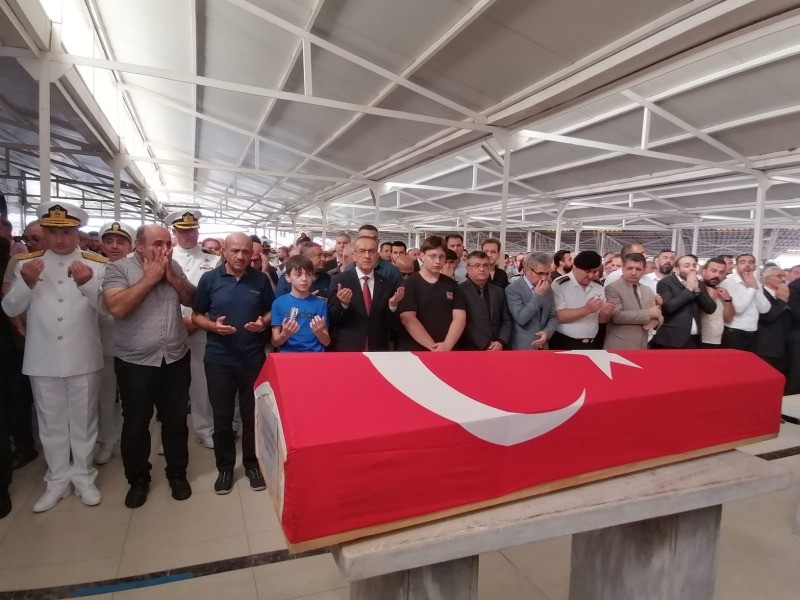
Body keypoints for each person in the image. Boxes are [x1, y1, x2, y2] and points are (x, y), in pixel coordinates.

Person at [1, 202, 106, 512]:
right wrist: (26, 283)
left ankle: (84, 476)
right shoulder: (26, 264)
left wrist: (88, 283)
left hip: (82, 354)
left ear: (78, 234)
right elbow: (10, 308)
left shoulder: (96, 263)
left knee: (84, 421)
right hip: (43, 356)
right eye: (53, 232)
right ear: (44, 233)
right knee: (51, 423)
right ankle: (57, 479)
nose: (60, 239)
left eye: (67, 232)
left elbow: (107, 309)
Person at [103, 224, 196, 508]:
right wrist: (150, 279)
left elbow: (192, 298)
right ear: (139, 246)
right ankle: (138, 479)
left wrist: (173, 278)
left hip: (175, 358)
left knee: (176, 422)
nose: (165, 249)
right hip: (136, 363)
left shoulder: (173, 265)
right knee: (135, 424)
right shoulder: (118, 269)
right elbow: (117, 308)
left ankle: (177, 474)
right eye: (157, 244)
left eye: (168, 244)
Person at [192, 233, 274, 495]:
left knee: (252, 416)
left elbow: (270, 310)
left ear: (252, 254)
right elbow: (196, 315)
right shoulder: (209, 279)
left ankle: (252, 465)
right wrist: (212, 327)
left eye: (246, 252)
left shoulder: (260, 280)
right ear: (224, 251)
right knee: (222, 417)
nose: (240, 256)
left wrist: (262, 322)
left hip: (252, 359)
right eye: (235, 250)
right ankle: (225, 468)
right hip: (219, 360)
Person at [166, 209, 221, 450]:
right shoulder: (165, 257)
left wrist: (195, 322)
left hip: (200, 328)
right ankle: (170, 433)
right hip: (168, 328)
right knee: (171, 387)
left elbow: (216, 297)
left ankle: (204, 428)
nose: (189, 235)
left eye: (193, 230)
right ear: (174, 231)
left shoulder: (214, 259)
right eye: (183, 231)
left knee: (201, 384)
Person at [94, 221, 137, 465]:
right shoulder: (94, 270)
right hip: (103, 343)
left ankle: (133, 441)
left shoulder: (138, 270)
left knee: (136, 400)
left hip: (134, 344)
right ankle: (107, 441)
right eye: (109, 241)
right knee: (105, 398)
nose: (114, 246)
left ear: (131, 246)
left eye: (121, 241)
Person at [327, 235, 403, 351]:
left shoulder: (387, 284)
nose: (367, 256)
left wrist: (392, 306)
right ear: (354, 256)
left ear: (377, 256)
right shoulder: (339, 281)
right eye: (362, 251)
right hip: (347, 348)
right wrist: (343, 304)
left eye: (371, 251)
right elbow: (331, 319)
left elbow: (391, 324)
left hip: (378, 348)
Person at [397, 235, 466, 351]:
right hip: (417, 349)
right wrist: (432, 346)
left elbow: (460, 317)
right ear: (422, 256)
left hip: (447, 348)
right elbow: (407, 318)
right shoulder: (410, 283)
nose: (437, 261)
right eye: (432, 256)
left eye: (441, 257)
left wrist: (447, 345)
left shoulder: (451, 284)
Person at [651, 255, 716, 349]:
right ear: (677, 269)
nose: (692, 268)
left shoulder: (700, 284)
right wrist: (689, 289)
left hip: (694, 339)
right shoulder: (666, 283)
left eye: (694, 265)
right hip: (670, 340)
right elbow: (668, 308)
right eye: (687, 266)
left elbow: (711, 308)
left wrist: (697, 290)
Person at [271, 256, 330, 352]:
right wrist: (285, 334)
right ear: (288, 277)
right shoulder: (278, 303)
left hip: (314, 355)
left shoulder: (320, 304)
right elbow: (275, 342)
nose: (304, 279)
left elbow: (326, 342)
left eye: (309, 274)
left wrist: (319, 332)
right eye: (298, 274)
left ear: (313, 276)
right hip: (288, 356)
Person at [604, 254, 662, 350]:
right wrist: (648, 314)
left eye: (638, 269)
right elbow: (616, 316)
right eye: (630, 268)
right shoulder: (613, 288)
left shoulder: (647, 289)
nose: (634, 272)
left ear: (644, 271)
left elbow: (657, 313)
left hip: (643, 345)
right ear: (622, 268)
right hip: (619, 346)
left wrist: (657, 321)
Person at [457, 251, 512, 351]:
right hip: (470, 349)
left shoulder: (499, 292)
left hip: (498, 348)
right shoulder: (459, 291)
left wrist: (501, 341)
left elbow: (507, 320)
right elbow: (463, 323)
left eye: (486, 265)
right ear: (468, 268)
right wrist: (485, 343)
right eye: (477, 265)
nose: (482, 269)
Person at [505, 252, 558, 350]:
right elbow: (521, 318)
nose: (544, 278)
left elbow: (553, 317)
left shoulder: (548, 289)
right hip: (521, 348)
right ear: (528, 270)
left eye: (547, 273)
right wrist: (538, 296)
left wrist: (547, 333)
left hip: (543, 346)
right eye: (540, 273)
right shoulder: (513, 289)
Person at [719, 254, 771, 351]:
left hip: (753, 331)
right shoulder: (728, 282)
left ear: (755, 267)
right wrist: (751, 288)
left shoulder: (756, 283)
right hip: (734, 331)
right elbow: (738, 309)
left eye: (751, 262)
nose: (747, 265)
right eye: (743, 262)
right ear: (736, 266)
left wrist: (754, 287)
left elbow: (764, 309)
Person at [754, 266, 791, 377]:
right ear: (766, 279)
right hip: (765, 348)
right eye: (779, 276)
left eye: (784, 276)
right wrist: (781, 300)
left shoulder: (786, 293)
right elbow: (767, 317)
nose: (783, 279)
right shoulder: (760, 294)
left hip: (783, 348)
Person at [699, 258, 734, 348]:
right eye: (713, 271)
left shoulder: (722, 292)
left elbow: (728, 319)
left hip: (717, 340)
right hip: (700, 340)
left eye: (721, 272)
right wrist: (710, 298)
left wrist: (727, 300)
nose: (717, 275)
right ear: (703, 272)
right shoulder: (696, 289)